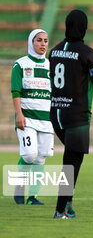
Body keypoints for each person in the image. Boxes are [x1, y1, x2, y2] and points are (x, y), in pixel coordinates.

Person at [50, 9, 93, 219]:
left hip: (56, 113)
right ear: (84, 27)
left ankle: (67, 203)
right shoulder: (87, 53)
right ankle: (60, 209)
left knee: (72, 158)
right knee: (72, 162)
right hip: (76, 114)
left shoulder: (54, 51)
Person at [11, 29, 53, 205]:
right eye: (39, 40)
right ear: (31, 42)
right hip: (27, 118)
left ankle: (32, 197)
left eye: (45, 41)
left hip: (46, 120)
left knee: (41, 156)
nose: (43, 44)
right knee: (29, 155)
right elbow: (15, 91)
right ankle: (19, 186)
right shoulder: (20, 65)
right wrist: (19, 115)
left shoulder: (51, 65)